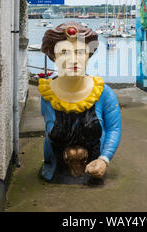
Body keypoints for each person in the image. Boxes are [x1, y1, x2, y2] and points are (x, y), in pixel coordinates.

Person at [38, 22, 122, 183]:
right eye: (64, 53)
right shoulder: (48, 95)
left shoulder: (102, 93)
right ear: (53, 57)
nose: (73, 60)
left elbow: (114, 128)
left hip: (94, 168)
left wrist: (104, 159)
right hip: (57, 170)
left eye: (80, 52)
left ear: (89, 56)